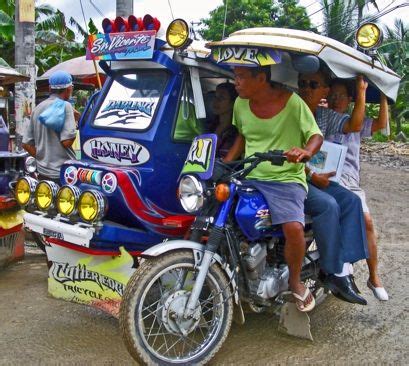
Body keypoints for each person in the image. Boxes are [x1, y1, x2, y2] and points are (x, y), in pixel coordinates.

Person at [224, 66, 323, 312]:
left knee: (293, 226)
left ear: (261, 78)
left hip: (285, 179)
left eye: (241, 77)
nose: (235, 82)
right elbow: (243, 137)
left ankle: (295, 282)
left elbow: (315, 136)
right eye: (235, 76)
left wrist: (305, 152)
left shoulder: (292, 103)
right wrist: (223, 166)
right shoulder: (240, 104)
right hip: (249, 174)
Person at [299, 70, 369, 305]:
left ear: (324, 91)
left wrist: (361, 92)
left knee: (352, 202)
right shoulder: (291, 110)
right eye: (303, 84)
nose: (307, 88)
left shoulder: (324, 116)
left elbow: (355, 124)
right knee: (328, 205)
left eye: (313, 84)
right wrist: (311, 174)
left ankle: (343, 270)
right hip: (297, 175)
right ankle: (337, 272)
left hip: (317, 175)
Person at [327, 79, 389, 300]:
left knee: (367, 222)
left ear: (350, 99)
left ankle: (374, 276)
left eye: (340, 96)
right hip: (325, 181)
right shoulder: (322, 118)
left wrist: (383, 95)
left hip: (349, 183)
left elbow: (380, 124)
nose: (335, 99)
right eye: (332, 94)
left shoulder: (356, 122)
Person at [22, 71, 76, 183]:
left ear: (50, 89)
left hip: (43, 174)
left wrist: (43, 158)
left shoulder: (37, 108)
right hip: (63, 173)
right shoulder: (66, 106)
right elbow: (67, 142)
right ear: (68, 89)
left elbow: (26, 144)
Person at [206, 82, 238, 158]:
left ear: (233, 103)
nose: (216, 101)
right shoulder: (209, 124)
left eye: (222, 98)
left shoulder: (235, 131)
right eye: (215, 97)